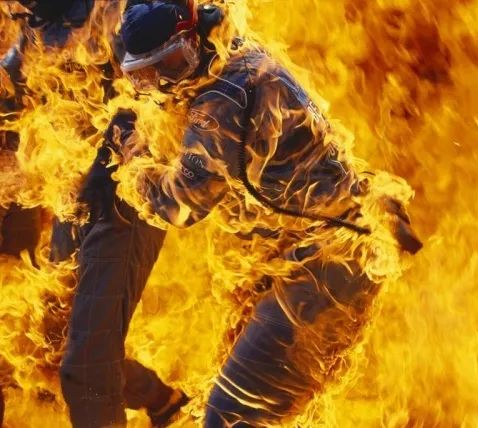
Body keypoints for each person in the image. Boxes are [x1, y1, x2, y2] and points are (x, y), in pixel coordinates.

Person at [113, 1, 422, 425]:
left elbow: (178, 206)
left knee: (229, 417)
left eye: (172, 64)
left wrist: (133, 159)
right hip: (331, 252)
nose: (165, 83)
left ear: (195, 39)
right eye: (148, 75)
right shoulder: (243, 56)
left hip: (325, 266)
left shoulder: (221, 102)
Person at [0, 2, 186, 426]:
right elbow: (14, 82)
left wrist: (113, 157)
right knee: (55, 340)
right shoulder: (38, 19)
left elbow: (161, 94)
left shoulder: (118, 13)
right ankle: (164, 402)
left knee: (87, 368)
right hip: (77, 195)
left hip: (125, 198)